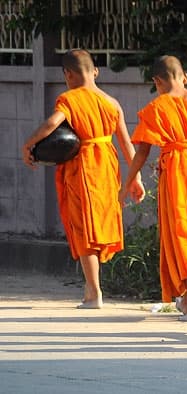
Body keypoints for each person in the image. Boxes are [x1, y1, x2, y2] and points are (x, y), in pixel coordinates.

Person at [22, 49, 144, 309]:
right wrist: (136, 178)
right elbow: (127, 144)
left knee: (84, 228)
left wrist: (28, 144)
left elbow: (52, 123)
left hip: (83, 166)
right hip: (108, 166)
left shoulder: (68, 98)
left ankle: (93, 292)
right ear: (96, 71)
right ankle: (93, 288)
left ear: (67, 74)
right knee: (99, 223)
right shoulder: (112, 102)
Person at [119, 55, 187, 322]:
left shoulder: (156, 107)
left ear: (157, 81)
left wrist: (128, 183)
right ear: (184, 77)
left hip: (176, 172)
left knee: (180, 232)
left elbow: (142, 152)